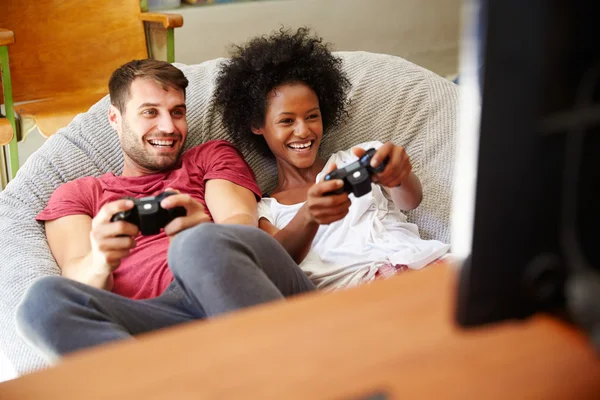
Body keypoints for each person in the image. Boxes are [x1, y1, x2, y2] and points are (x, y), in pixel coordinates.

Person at [16, 59, 315, 362]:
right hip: (164, 320)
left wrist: (199, 233)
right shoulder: (78, 194)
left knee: (197, 245)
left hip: (244, 290)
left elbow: (241, 225)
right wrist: (100, 258)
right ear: (114, 118)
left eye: (177, 112)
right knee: (41, 302)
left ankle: (288, 377)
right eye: (150, 112)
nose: (169, 127)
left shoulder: (210, 156)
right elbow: (76, 278)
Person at [213, 28, 450, 290]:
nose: (303, 131)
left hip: (430, 268)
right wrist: (309, 215)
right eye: (287, 121)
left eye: (312, 116)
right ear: (257, 124)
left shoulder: (360, 156)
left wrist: (400, 176)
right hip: (362, 294)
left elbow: (411, 200)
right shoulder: (265, 210)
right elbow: (277, 264)